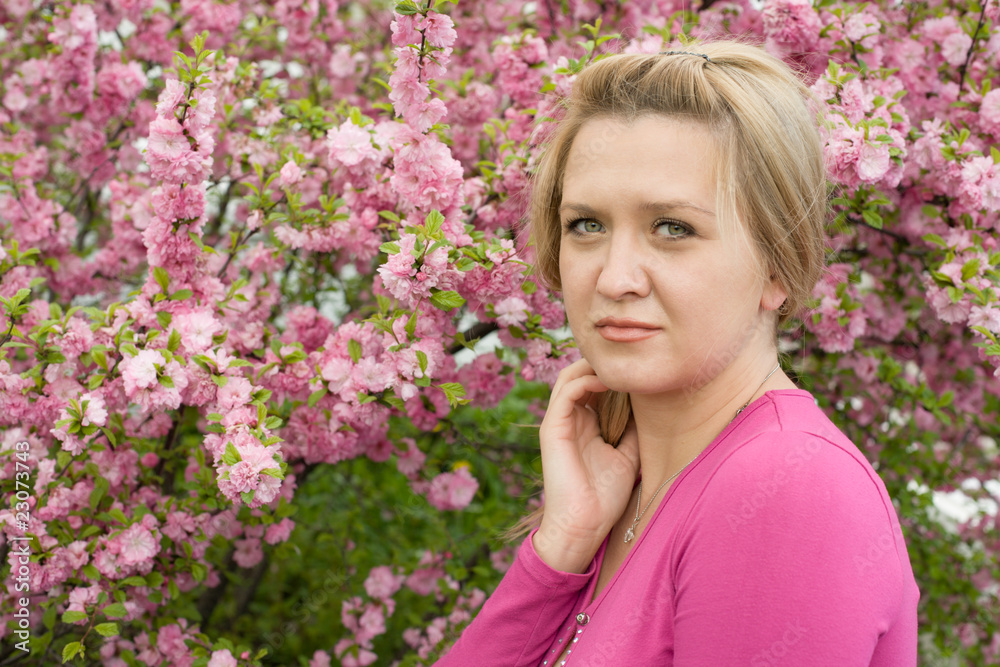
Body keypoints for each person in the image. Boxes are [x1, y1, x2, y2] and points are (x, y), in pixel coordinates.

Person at [436, 40, 918, 666]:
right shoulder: (623, 501)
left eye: (673, 228)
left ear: (778, 265)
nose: (614, 279)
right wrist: (561, 546)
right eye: (587, 225)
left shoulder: (788, 490)